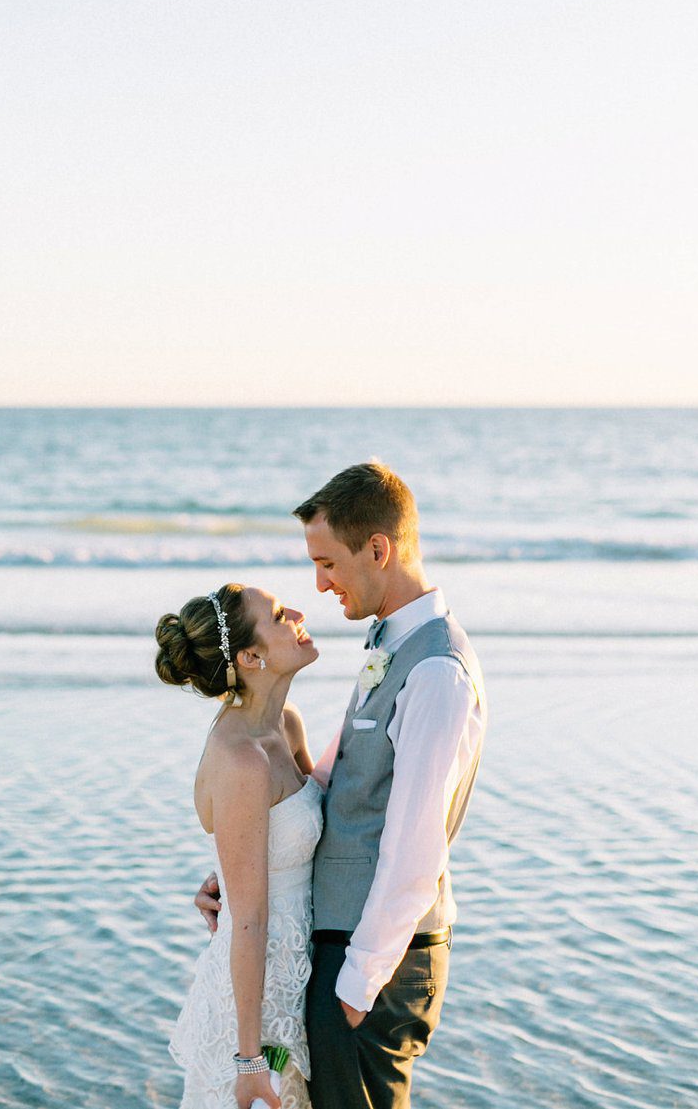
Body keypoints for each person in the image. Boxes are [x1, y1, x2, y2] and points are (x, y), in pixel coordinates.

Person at [196, 463, 488, 1109]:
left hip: (370, 967)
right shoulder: (393, 645)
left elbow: (416, 848)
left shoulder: (436, 671)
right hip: (330, 955)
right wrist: (247, 872)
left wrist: (356, 987)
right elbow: (334, 785)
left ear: (377, 548)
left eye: (327, 562)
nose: (319, 583)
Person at [156, 582, 322, 1109]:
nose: (297, 613)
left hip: (302, 977)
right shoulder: (240, 759)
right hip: (256, 1004)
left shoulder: (286, 727)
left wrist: (219, 880)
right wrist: (249, 1062)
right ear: (251, 656)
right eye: (278, 615)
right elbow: (247, 919)